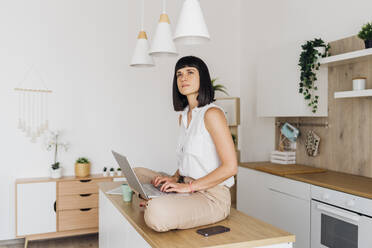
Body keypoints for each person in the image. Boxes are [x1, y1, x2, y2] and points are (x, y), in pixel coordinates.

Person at [134, 56, 238, 232]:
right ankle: (162, 199)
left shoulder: (212, 114)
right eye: (179, 74)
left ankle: (160, 203)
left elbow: (230, 167)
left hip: (211, 197)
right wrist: (175, 178)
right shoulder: (183, 116)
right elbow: (188, 161)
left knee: (156, 214)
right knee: (137, 173)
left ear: (202, 78)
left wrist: (187, 187)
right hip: (187, 187)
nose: (183, 78)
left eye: (190, 72)